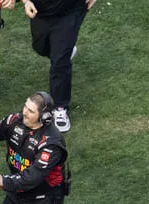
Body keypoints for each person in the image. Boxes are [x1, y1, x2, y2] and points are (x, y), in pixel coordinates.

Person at [16, 0, 97, 132]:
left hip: (70, 10)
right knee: (40, 47)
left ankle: (60, 107)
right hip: (41, 9)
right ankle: (63, 52)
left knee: (59, 61)